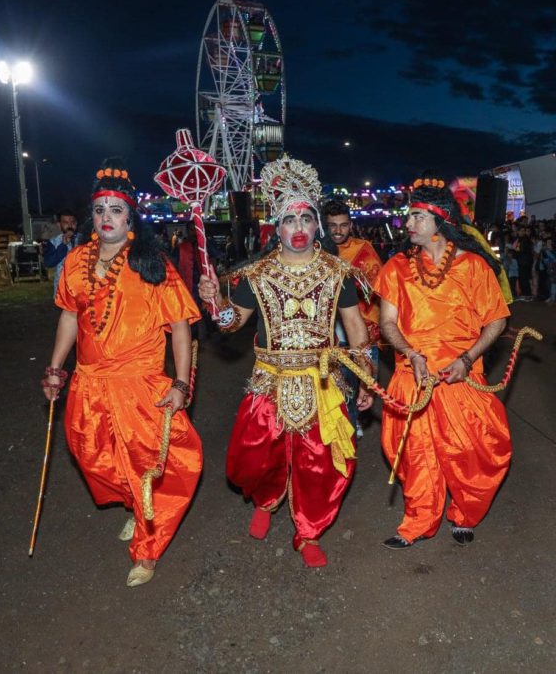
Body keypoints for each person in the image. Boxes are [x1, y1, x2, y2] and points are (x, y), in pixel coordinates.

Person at [198, 156, 373, 568]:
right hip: (269, 382)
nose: (298, 229)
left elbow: (358, 331)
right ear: (277, 227)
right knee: (255, 457)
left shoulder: (338, 273)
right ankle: (266, 498)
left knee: (323, 464)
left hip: (323, 384)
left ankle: (308, 531)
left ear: (318, 227)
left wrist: (366, 380)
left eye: (306, 220)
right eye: (290, 221)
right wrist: (214, 301)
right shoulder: (256, 275)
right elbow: (229, 324)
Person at [41, 160, 202, 588]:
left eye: (116, 209)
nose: (106, 217)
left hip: (140, 386)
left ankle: (147, 551)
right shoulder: (75, 261)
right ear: (91, 216)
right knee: (92, 458)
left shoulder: (151, 263)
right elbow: (70, 318)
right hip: (89, 382)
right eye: (100, 209)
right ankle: (133, 501)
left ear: (130, 216)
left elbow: (181, 327)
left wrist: (182, 384)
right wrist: (57, 367)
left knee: (148, 468)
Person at [377, 173, 512, 549]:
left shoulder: (473, 267)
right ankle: (418, 522)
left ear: (441, 221)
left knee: (472, 451)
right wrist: (409, 352)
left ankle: (465, 513)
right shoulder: (397, 268)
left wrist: (467, 358)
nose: (408, 224)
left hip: (460, 378)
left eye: (417, 216)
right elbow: (386, 322)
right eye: (409, 215)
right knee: (416, 455)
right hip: (412, 376)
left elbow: (497, 320)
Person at [322, 197, 383, 437]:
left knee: (360, 382)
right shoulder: (315, 253)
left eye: (344, 225)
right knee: (334, 386)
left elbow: (378, 288)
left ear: (351, 225)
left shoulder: (363, 250)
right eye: (332, 225)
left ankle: (352, 422)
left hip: (361, 327)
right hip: (326, 334)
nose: (338, 230)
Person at [43, 210, 79, 294]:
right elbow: (48, 263)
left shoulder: (84, 239)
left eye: (72, 222)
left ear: (76, 224)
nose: (70, 225)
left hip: (81, 291)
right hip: (62, 293)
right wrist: (63, 245)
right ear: (59, 225)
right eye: (66, 223)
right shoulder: (54, 242)